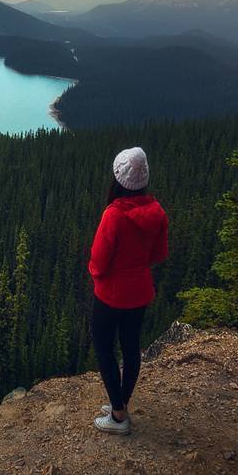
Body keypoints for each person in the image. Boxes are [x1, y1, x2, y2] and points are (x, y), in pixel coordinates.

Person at [89, 147, 168, 435]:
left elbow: (99, 260)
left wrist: (97, 276)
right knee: (131, 348)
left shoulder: (114, 215)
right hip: (140, 291)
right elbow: (159, 253)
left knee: (102, 346)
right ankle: (119, 403)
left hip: (111, 294)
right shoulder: (156, 212)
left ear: (118, 179)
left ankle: (119, 415)